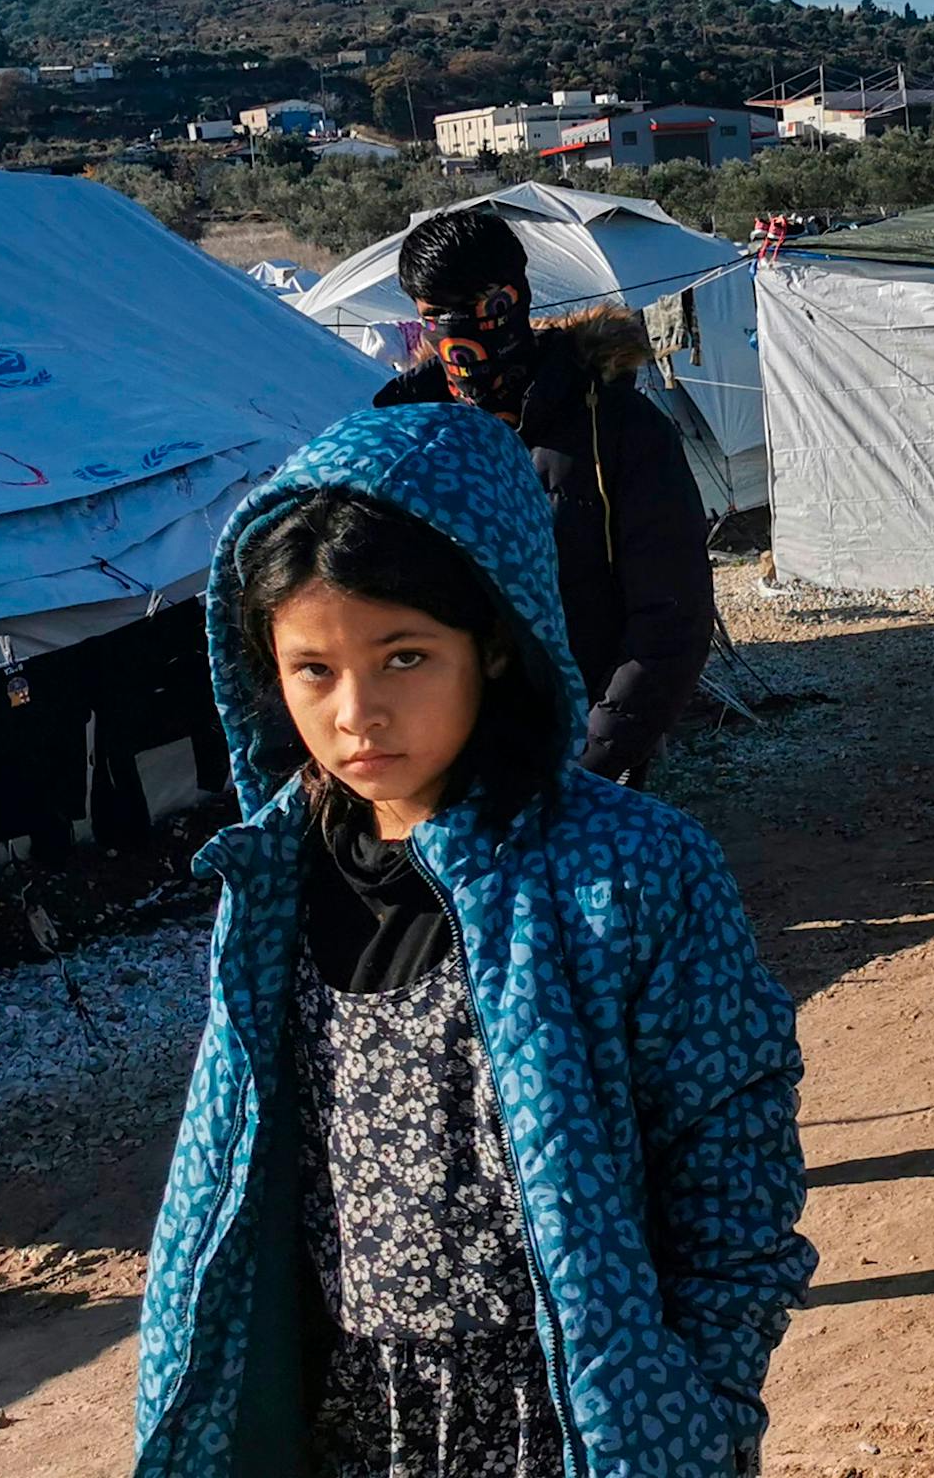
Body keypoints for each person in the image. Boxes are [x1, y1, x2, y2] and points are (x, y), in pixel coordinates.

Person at [134, 403, 815, 1478]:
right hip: (349, 1412)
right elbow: (235, 1168)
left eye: (403, 656)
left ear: (494, 642)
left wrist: (704, 1395)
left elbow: (732, 1151)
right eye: (313, 668)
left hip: (573, 1413)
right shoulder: (268, 875)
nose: (357, 712)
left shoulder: (625, 867)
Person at [375, 209, 713, 786]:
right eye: (435, 316)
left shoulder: (621, 431)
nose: (460, 336)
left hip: (580, 754)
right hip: (443, 763)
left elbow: (670, 620)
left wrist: (589, 765)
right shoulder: (400, 438)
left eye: (483, 310)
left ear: (519, 300)